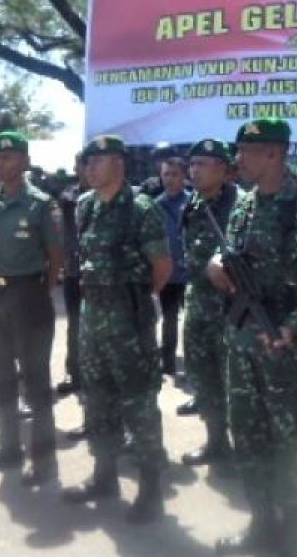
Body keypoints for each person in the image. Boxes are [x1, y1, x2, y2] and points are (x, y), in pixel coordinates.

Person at [208, 118, 297, 557]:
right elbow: (229, 250)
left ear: (273, 154)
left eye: (246, 152)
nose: (238, 159)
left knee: (286, 444)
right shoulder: (244, 205)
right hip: (242, 343)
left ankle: (292, 538)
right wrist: (215, 262)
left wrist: (294, 326)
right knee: (247, 436)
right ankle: (262, 525)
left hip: (282, 349)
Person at [63, 134, 171, 525]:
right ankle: (104, 476)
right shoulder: (85, 206)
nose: (89, 168)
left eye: (98, 161)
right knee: (97, 402)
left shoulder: (141, 209)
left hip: (129, 326)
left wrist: (133, 301)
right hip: (93, 324)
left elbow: (163, 267)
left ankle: (150, 489)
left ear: (119, 165)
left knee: (139, 406)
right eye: (86, 162)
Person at [0, 131, 64, 486]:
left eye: (8, 157)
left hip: (29, 294)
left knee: (36, 380)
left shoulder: (42, 204)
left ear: (24, 161)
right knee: (0, 374)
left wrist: (43, 290)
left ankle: (43, 459)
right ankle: (8, 449)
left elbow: (56, 255)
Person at [179, 138, 242, 472]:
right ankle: (215, 442)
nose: (195, 171)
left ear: (223, 168)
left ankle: (239, 450)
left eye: (203, 164)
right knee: (203, 379)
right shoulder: (193, 203)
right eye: (192, 165)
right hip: (199, 304)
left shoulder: (241, 205)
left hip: (231, 310)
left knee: (233, 381)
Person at [154, 156, 192, 377]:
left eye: (174, 174)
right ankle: (167, 363)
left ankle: (193, 363)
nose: (169, 179)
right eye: (166, 174)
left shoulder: (194, 202)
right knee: (169, 319)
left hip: (190, 274)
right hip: (168, 274)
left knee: (192, 321)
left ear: (183, 176)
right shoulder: (155, 206)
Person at [56, 152, 87, 398]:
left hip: (101, 274)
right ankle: (74, 373)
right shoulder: (70, 195)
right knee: (75, 324)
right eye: (81, 165)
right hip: (74, 271)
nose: (85, 169)